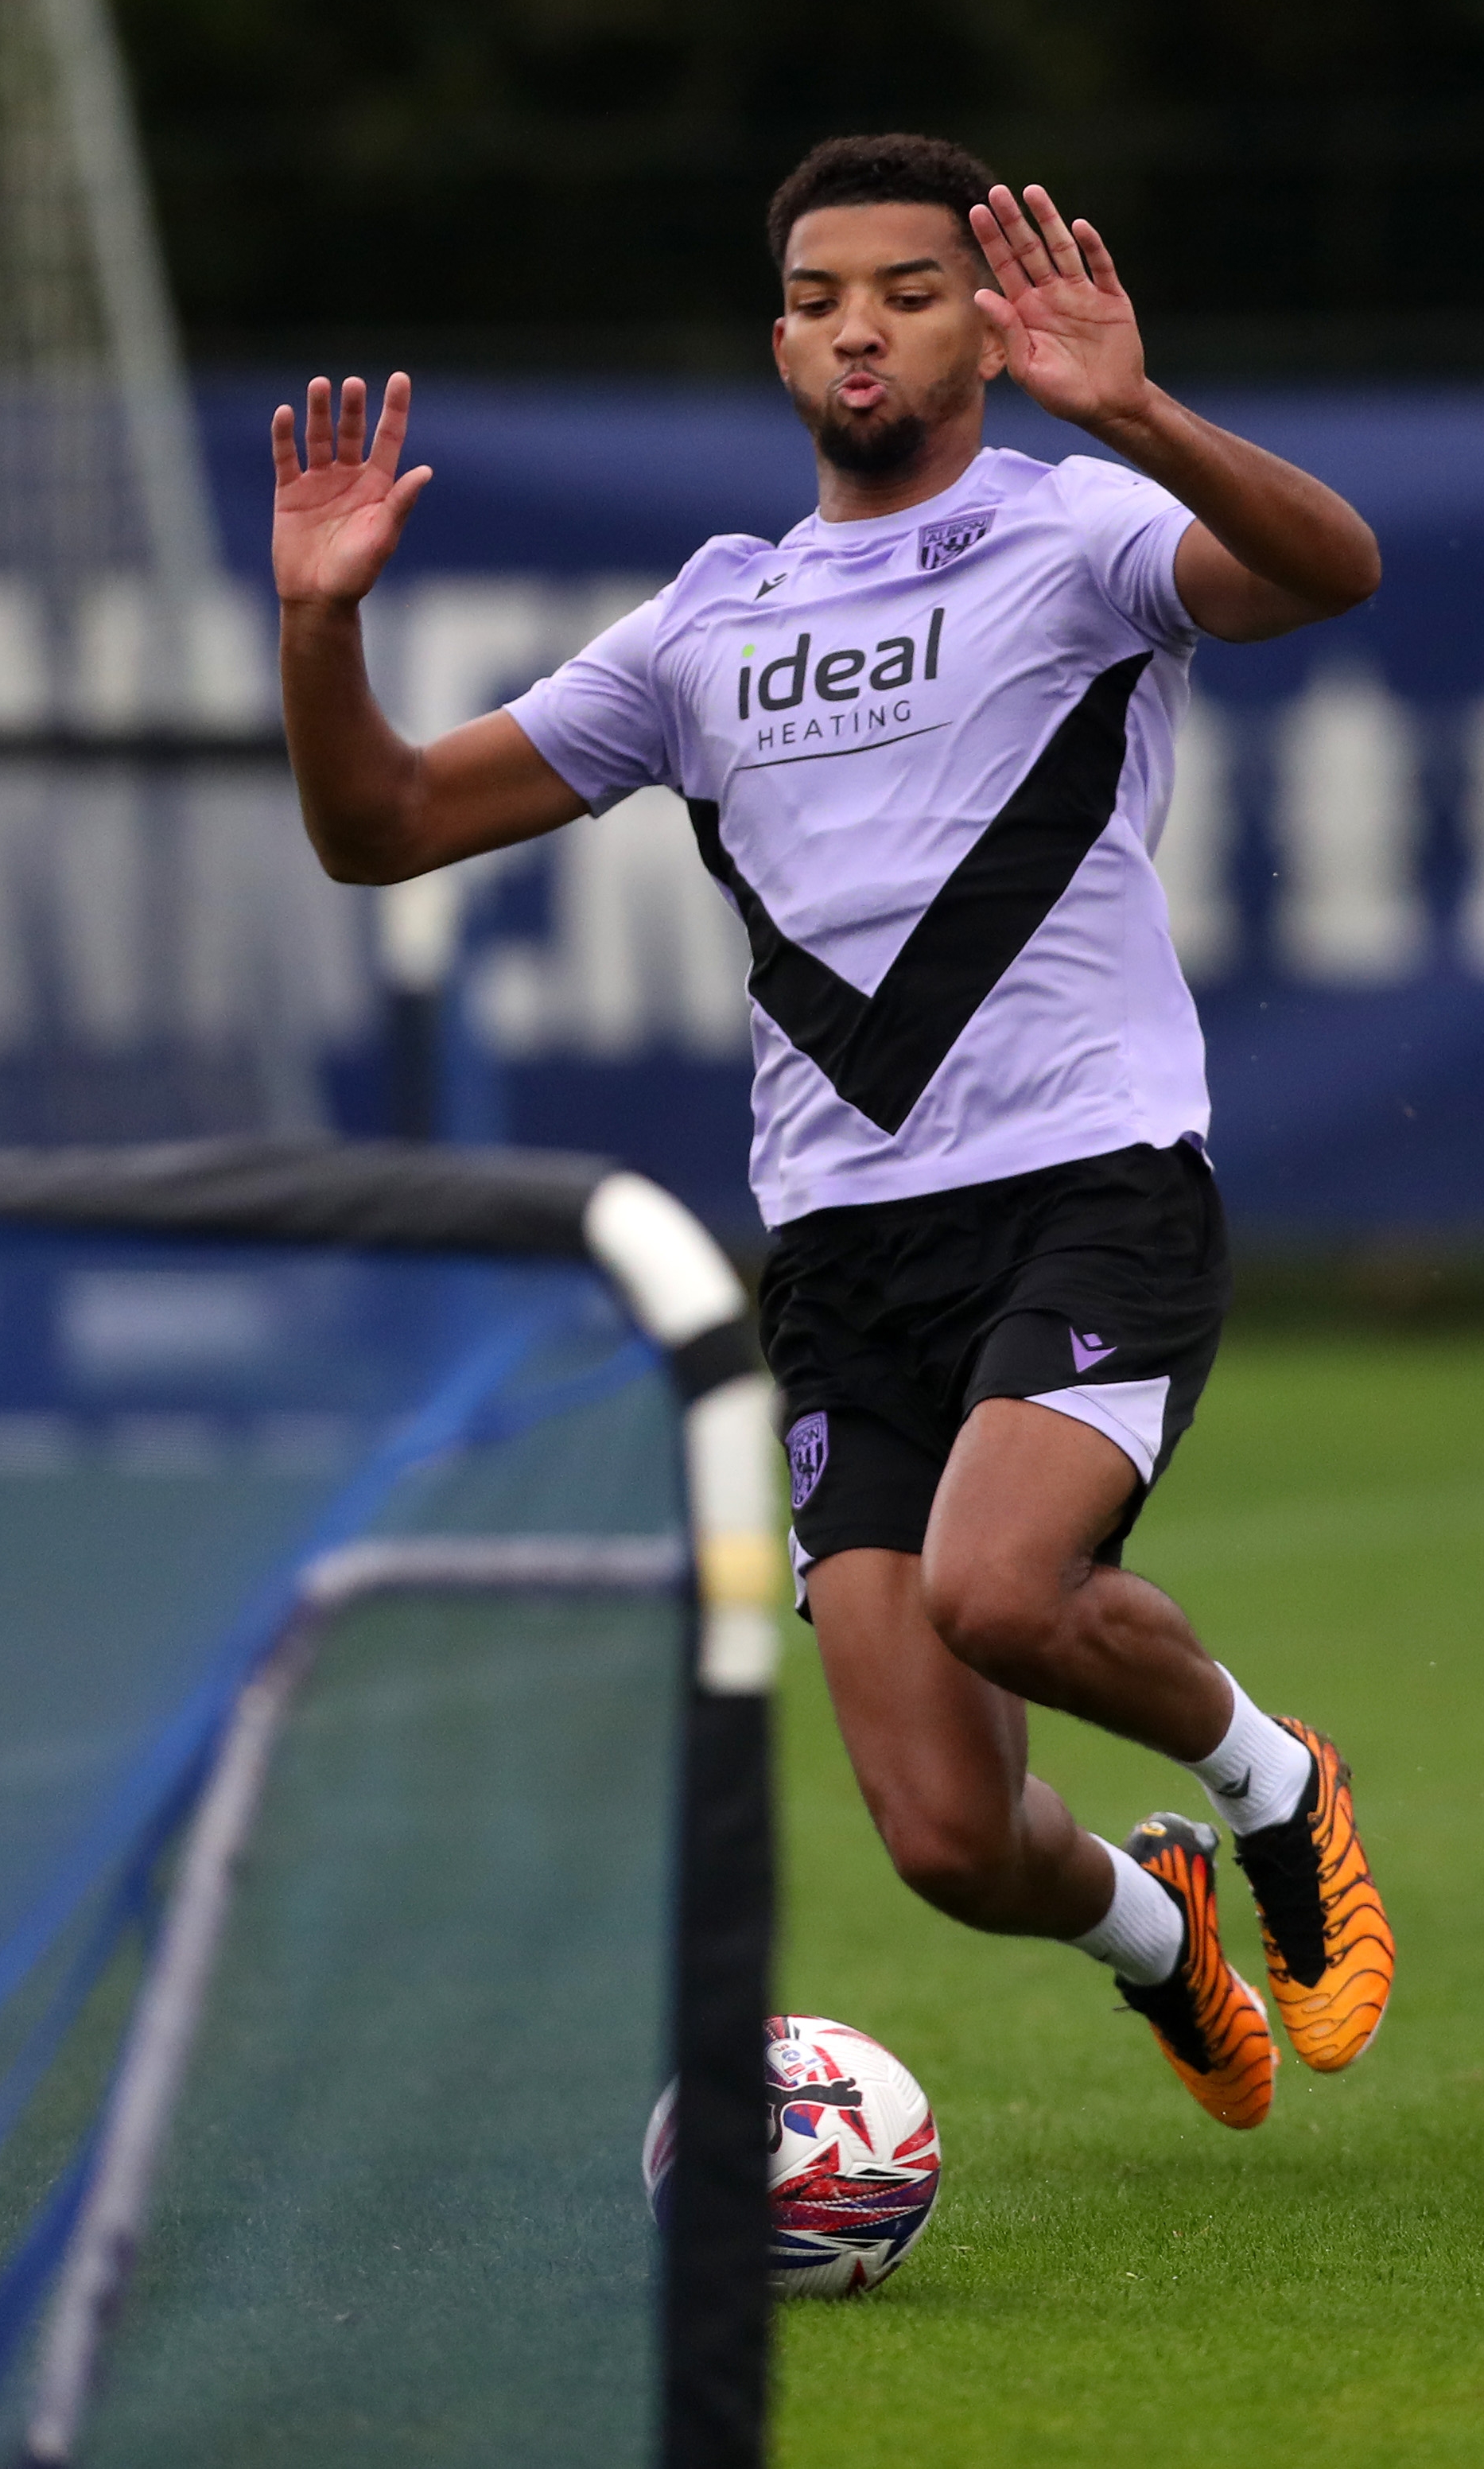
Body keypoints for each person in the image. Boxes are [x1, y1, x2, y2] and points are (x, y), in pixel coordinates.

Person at [267, 133, 1389, 2129]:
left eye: (905, 287)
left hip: (1087, 1184)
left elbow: (1326, 568)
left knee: (998, 1589)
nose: (854, 324)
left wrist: (1134, 408)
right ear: (777, 344)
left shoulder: (1082, 532)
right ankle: (1156, 1928)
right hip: (847, 1252)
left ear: (985, 324)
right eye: (814, 297)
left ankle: (1275, 1782)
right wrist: (322, 625)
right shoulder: (706, 624)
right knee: (952, 1840)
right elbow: (384, 831)